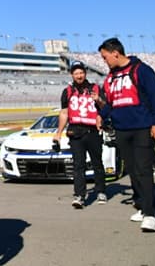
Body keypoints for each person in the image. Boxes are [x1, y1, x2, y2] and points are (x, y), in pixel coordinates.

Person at [95, 38, 155, 232]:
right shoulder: (110, 77)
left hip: (142, 128)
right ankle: (141, 205)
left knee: (144, 169)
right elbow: (110, 102)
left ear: (115, 53)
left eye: (105, 57)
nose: (104, 61)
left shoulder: (141, 70)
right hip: (122, 130)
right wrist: (101, 116)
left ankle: (151, 214)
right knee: (133, 170)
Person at [53, 60, 106, 209]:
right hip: (75, 132)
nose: (79, 75)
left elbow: (104, 107)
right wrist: (58, 133)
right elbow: (64, 113)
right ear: (72, 75)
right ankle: (79, 196)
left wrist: (99, 100)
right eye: (76, 73)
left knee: (97, 163)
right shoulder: (68, 91)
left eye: (81, 72)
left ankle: (101, 190)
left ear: (85, 73)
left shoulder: (95, 88)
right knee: (78, 166)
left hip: (93, 131)